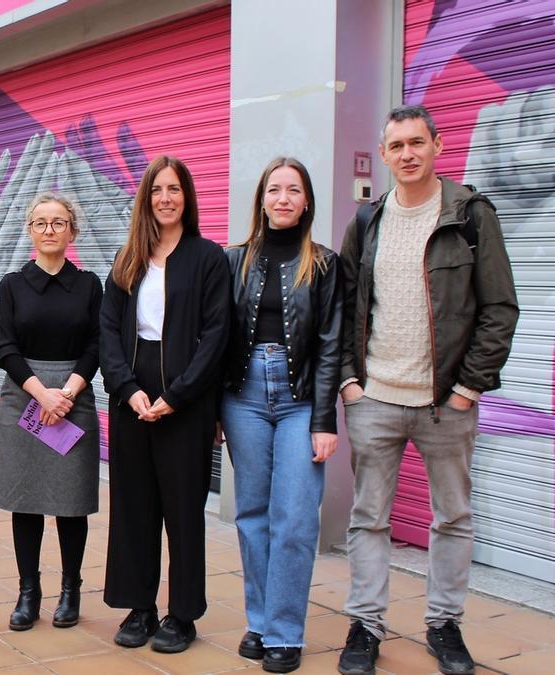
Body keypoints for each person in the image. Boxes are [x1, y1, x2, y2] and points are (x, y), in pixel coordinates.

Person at [336, 105, 517, 675]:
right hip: (376, 400)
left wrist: (468, 387)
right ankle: (365, 625)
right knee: (368, 518)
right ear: (384, 154)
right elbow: (343, 310)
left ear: (437, 145)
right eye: (397, 146)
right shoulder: (366, 222)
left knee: (453, 518)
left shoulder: (470, 216)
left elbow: (499, 308)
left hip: (447, 404)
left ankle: (445, 624)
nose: (408, 154)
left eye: (418, 142)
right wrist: (349, 383)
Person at [98, 155, 229, 653]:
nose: (166, 198)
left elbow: (217, 334)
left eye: (174, 189)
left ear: (187, 197)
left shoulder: (208, 257)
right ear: (145, 198)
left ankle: (181, 615)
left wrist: (177, 396)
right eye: (157, 190)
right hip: (132, 391)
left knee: (182, 509)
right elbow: (108, 328)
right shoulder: (128, 257)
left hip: (186, 398)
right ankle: (140, 607)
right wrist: (127, 389)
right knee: (134, 505)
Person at [220, 157, 341, 673]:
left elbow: (332, 343)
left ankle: (286, 632)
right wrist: (215, 413)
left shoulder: (326, 263)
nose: (284, 198)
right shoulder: (234, 260)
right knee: (251, 516)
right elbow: (218, 336)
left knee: (293, 519)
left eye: (294, 190)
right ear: (262, 199)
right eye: (275, 190)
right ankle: (260, 621)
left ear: (307, 200)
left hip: (300, 401)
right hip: (242, 395)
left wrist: (325, 420)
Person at [0, 192, 102, 631]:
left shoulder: (89, 285)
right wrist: (42, 395)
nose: (50, 230)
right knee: (27, 500)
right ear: (29, 230)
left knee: (71, 503)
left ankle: (70, 590)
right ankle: (28, 592)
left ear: (72, 232)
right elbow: (5, 348)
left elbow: (97, 344)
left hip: (74, 396)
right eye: (41, 223)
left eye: (58, 223)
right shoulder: (12, 285)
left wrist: (68, 393)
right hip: (25, 395)